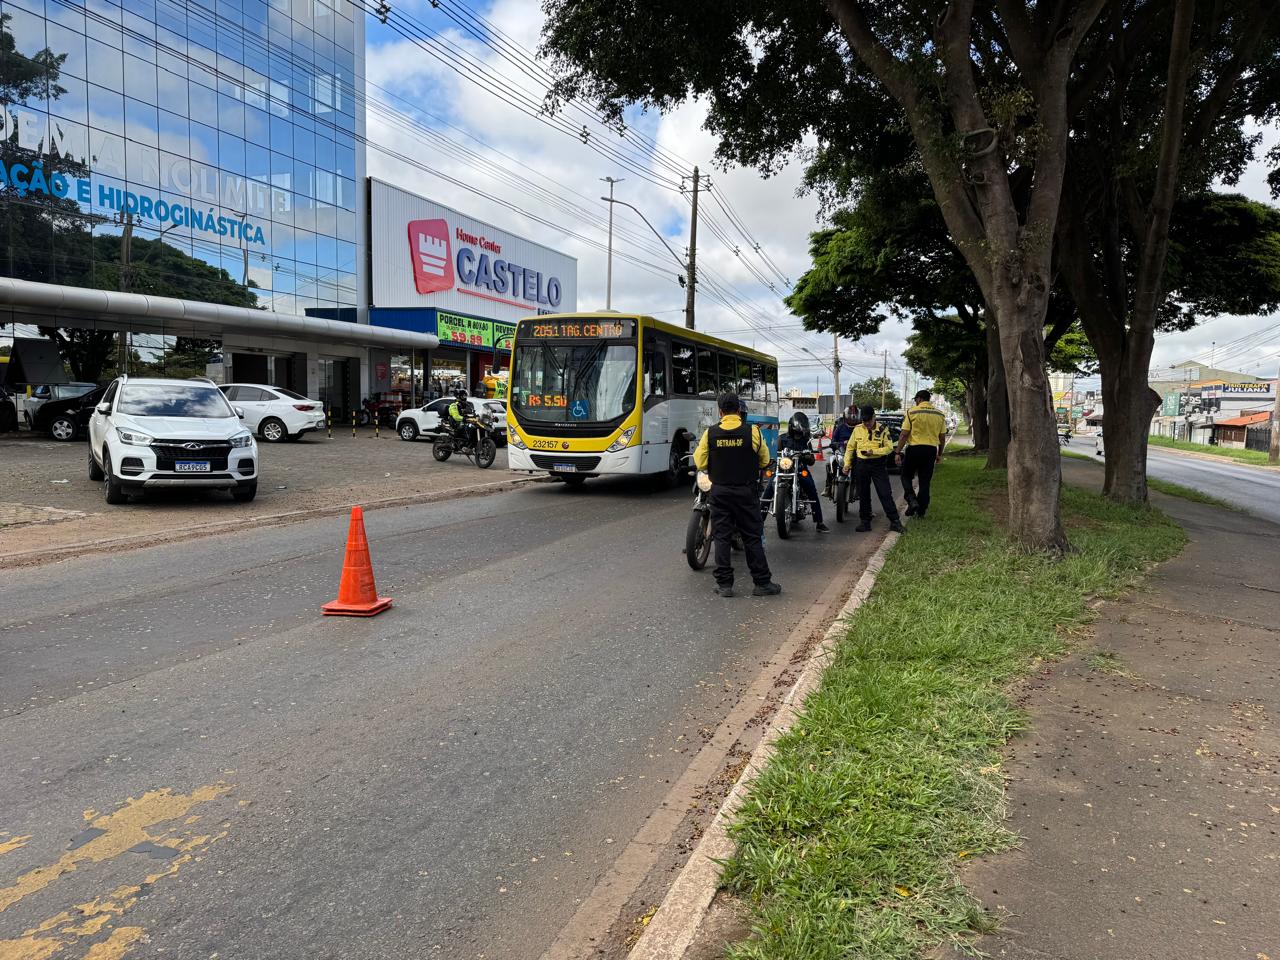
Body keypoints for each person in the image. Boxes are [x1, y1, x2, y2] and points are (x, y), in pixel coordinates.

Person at [693, 392, 782, 598]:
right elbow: (764, 459)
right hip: (745, 492)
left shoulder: (711, 433)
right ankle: (762, 583)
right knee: (752, 537)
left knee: (722, 537)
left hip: (720, 493)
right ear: (739, 411)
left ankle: (725, 585)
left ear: (721, 411)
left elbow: (700, 463)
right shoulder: (753, 432)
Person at [763, 412, 829, 532]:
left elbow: (812, 461)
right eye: (797, 432)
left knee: (811, 489)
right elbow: (776, 454)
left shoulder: (806, 441)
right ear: (791, 428)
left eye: (801, 432)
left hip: (800, 469)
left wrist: (808, 456)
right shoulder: (782, 439)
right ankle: (759, 521)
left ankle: (819, 522)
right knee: (769, 488)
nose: (799, 434)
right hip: (783, 469)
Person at [844, 405, 904, 533]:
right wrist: (847, 464)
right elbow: (850, 448)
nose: (867, 424)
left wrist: (874, 452)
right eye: (864, 422)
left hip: (878, 465)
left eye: (869, 421)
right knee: (863, 494)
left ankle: (895, 521)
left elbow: (888, 448)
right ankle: (865, 522)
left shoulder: (883, 429)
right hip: (861, 464)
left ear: (874, 417)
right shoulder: (858, 429)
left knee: (885, 493)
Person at [894, 389, 948, 518]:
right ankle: (921, 511)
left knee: (905, 476)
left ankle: (912, 500)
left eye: (915, 400)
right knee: (925, 481)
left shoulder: (912, 412)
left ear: (919, 399)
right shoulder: (939, 414)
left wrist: (897, 452)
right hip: (930, 451)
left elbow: (904, 434)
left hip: (914, 449)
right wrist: (939, 453)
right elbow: (942, 438)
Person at [825, 405, 858, 500]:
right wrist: (841, 443)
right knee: (829, 465)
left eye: (854, 416)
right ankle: (828, 488)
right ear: (845, 417)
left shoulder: (860, 428)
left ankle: (859, 490)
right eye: (850, 416)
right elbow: (832, 442)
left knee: (863, 470)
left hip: (855, 455)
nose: (852, 419)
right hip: (841, 454)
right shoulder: (840, 428)